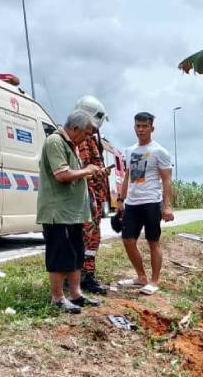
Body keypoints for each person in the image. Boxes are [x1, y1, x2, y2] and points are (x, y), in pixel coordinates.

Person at [36, 96, 108, 314]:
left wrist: (93, 172)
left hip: (74, 213)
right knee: (59, 257)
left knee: (76, 254)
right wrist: (88, 170)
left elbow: (76, 175)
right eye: (86, 133)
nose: (87, 138)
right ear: (75, 128)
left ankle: (76, 294)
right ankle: (57, 298)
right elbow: (62, 174)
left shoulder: (72, 144)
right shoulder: (55, 142)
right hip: (58, 213)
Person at [118, 111, 174, 295]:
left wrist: (167, 206)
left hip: (151, 202)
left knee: (153, 242)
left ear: (152, 128)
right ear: (134, 127)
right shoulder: (130, 150)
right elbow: (127, 177)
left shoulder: (159, 151)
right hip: (132, 203)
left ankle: (154, 281)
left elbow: (166, 180)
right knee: (127, 240)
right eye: (138, 126)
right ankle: (141, 277)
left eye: (145, 126)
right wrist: (120, 199)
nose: (141, 130)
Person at [77, 133, 110, 294]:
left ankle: (88, 274)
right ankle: (81, 277)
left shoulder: (94, 139)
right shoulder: (83, 139)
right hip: (88, 196)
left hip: (96, 195)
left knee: (93, 239)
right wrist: (97, 173)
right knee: (87, 239)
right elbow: (84, 170)